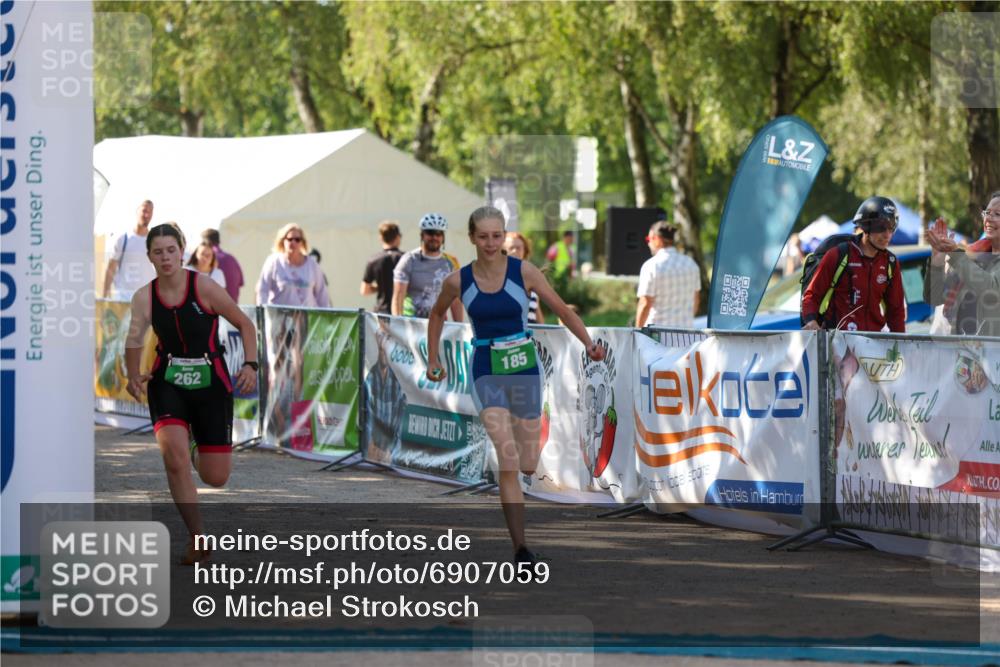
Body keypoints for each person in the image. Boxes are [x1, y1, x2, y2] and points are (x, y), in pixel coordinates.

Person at [425, 206, 605, 565]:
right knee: (506, 456)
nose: (490, 243)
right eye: (483, 236)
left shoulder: (524, 272)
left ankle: (526, 471)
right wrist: (434, 358)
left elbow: (563, 312)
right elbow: (436, 313)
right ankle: (520, 548)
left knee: (526, 462)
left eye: (497, 236)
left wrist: (588, 343)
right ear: (472, 237)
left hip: (524, 367)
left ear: (504, 236)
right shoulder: (458, 281)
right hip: (485, 367)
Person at [124, 223, 258, 565]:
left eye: (171, 250)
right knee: (174, 460)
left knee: (216, 476)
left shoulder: (204, 286)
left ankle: (195, 442)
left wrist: (250, 365)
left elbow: (245, 323)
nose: (166, 257)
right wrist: (133, 375)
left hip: (210, 382)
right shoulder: (144, 297)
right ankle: (197, 538)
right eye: (158, 252)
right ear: (150, 256)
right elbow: (134, 340)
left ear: (182, 250)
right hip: (167, 381)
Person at [802, 196, 906, 333]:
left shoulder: (890, 263)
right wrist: (811, 321)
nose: (887, 234)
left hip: (873, 343)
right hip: (838, 342)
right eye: (881, 227)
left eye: (892, 228)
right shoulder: (838, 255)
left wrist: (901, 346)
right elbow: (811, 296)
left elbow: (896, 312)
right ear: (866, 226)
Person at [925, 191, 1000, 336]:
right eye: (987, 212)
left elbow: (992, 290)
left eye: (997, 214)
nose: (989, 219)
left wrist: (955, 254)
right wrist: (938, 260)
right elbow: (933, 297)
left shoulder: (964, 258)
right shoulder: (973, 255)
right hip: (962, 351)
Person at [392, 213, 462, 320]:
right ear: (422, 235)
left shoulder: (451, 262)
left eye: (438, 234)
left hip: (439, 324)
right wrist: (398, 325)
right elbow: (398, 296)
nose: (434, 237)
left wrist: (459, 328)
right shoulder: (409, 260)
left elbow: (455, 300)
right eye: (430, 233)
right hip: (412, 324)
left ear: (443, 238)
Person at [635, 220, 701, 328]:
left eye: (649, 239)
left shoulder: (651, 266)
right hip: (686, 336)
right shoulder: (691, 264)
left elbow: (645, 304)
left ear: (657, 240)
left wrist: (637, 331)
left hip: (656, 337)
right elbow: (696, 300)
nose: (648, 243)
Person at [256, 223, 330, 307]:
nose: (293, 242)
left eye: (297, 239)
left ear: (302, 242)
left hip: (307, 318)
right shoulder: (274, 262)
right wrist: (262, 313)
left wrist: (325, 316)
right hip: (278, 318)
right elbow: (262, 290)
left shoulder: (312, 265)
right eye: (290, 239)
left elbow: (322, 295)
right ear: (283, 241)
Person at [102, 200, 156, 300]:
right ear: (137, 211)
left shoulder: (155, 242)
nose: (147, 215)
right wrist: (104, 298)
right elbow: (111, 268)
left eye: (150, 212)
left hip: (146, 300)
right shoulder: (123, 238)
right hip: (123, 299)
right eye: (144, 211)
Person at [361, 221, 403, 314]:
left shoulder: (373, 260)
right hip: (402, 310)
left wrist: (380, 286)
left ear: (381, 238)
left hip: (381, 311)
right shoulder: (406, 258)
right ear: (398, 237)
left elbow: (364, 290)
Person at [503, 232, 545, 324]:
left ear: (524, 251)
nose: (514, 251)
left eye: (518, 248)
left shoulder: (532, 277)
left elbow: (537, 312)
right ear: (504, 250)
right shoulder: (498, 277)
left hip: (531, 334)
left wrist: (543, 334)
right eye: (511, 248)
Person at [201, 228, 244, 303]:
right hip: (233, 309)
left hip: (215, 310)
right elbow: (241, 283)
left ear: (205, 242)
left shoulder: (205, 261)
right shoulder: (232, 259)